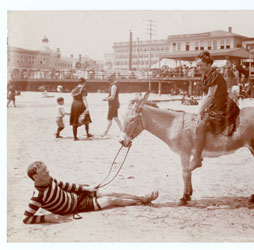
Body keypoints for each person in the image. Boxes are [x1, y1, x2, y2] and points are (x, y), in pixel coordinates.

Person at [23, 161, 159, 224]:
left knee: (110, 192)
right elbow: (26, 218)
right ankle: (142, 200)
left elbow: (66, 185)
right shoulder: (38, 197)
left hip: (77, 195)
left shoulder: (49, 180)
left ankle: (141, 196)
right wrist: (48, 218)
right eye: (44, 171)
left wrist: (86, 189)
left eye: (46, 169)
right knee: (112, 200)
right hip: (78, 206)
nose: (48, 172)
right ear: (35, 177)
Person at [189, 51, 240, 171]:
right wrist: (201, 108)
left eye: (201, 65)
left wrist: (200, 111)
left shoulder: (214, 75)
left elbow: (210, 95)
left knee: (200, 127)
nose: (199, 68)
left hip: (221, 107)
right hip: (214, 105)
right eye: (197, 66)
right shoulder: (206, 75)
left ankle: (197, 159)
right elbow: (205, 95)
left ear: (208, 64)